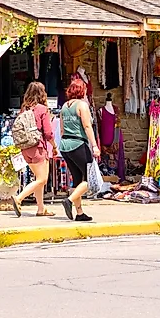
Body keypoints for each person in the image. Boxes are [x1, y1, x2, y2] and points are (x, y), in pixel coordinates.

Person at [11, 81, 57, 217]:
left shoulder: (24, 108)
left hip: (26, 148)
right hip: (38, 147)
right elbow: (48, 133)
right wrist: (54, 146)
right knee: (42, 179)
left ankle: (41, 209)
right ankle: (19, 198)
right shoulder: (42, 109)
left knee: (38, 179)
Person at [58, 77, 101, 221]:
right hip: (78, 144)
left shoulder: (64, 107)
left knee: (77, 179)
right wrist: (94, 146)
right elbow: (87, 126)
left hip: (65, 145)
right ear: (82, 91)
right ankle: (69, 200)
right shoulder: (82, 105)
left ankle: (80, 213)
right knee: (90, 178)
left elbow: (62, 130)